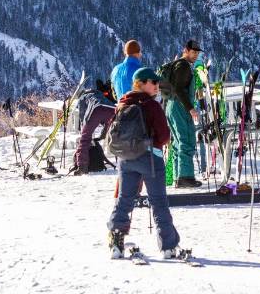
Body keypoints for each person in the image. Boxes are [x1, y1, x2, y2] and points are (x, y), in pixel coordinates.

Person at [107, 67, 183, 259]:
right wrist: (151, 143)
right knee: (158, 201)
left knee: (124, 199)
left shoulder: (122, 103)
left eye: (157, 82)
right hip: (150, 159)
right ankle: (168, 246)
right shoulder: (152, 106)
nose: (157, 86)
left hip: (125, 159)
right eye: (153, 82)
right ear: (140, 83)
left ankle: (116, 242)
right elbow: (164, 137)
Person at [160, 39, 202, 188]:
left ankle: (179, 177)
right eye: (193, 52)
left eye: (197, 53)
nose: (195, 55)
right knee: (186, 139)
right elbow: (178, 89)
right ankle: (185, 177)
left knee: (178, 142)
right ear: (186, 50)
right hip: (179, 106)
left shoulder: (176, 65)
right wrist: (190, 108)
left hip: (171, 105)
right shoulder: (183, 66)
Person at [73, 78, 116, 174]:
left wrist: (83, 129)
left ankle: (82, 166)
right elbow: (107, 118)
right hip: (112, 109)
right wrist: (103, 134)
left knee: (85, 139)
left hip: (96, 110)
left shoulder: (82, 97)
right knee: (117, 136)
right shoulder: (99, 93)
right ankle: (125, 160)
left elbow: (83, 115)